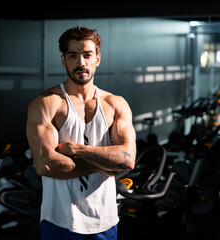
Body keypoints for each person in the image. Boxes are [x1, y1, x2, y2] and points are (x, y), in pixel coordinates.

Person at [26, 26, 136, 240]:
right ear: (63, 60)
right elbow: (45, 164)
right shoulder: (46, 104)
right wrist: (107, 164)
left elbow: (128, 160)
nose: (81, 62)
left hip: (104, 220)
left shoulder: (115, 104)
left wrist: (76, 149)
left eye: (87, 55)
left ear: (97, 59)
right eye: (73, 56)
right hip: (60, 221)